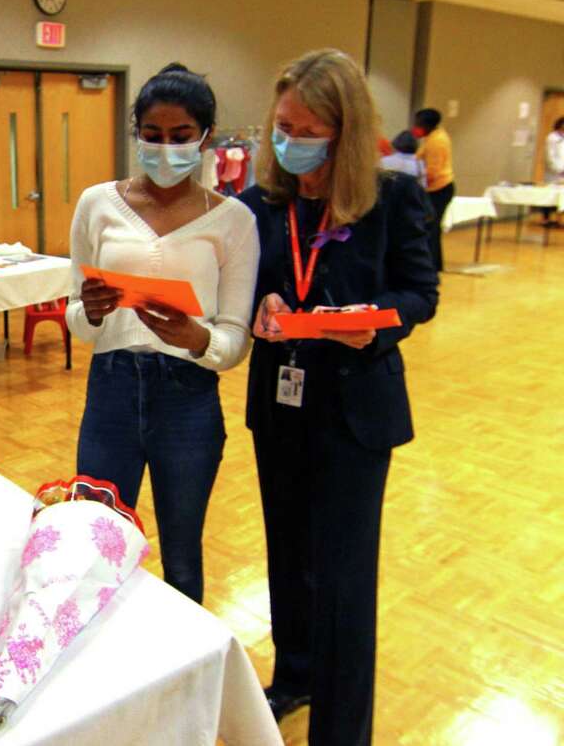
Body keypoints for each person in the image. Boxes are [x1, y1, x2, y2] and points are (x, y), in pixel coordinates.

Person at [241, 49, 438, 744]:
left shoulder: (393, 200)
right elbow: (236, 284)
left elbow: (420, 295)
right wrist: (254, 304)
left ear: (344, 130)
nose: (287, 140)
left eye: (304, 127)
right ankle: (294, 675)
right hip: (281, 404)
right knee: (288, 556)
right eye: (281, 125)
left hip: (355, 415)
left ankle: (342, 728)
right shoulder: (262, 203)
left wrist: (374, 324)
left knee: (344, 579)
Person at [68, 64, 260, 604]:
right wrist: (95, 311)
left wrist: (194, 337)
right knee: (100, 542)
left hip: (188, 400)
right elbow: (76, 318)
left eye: (180, 138)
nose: (165, 149)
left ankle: (182, 677)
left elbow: (234, 341)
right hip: (111, 391)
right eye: (152, 136)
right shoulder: (97, 204)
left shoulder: (233, 221)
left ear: (204, 139)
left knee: (181, 551)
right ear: (136, 134)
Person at [413, 108, 453, 271]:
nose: (415, 127)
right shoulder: (433, 136)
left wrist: (416, 188)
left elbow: (432, 172)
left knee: (431, 227)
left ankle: (431, 265)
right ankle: (433, 263)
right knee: (432, 227)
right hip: (436, 188)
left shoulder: (436, 142)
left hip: (439, 189)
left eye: (418, 124)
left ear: (427, 125)